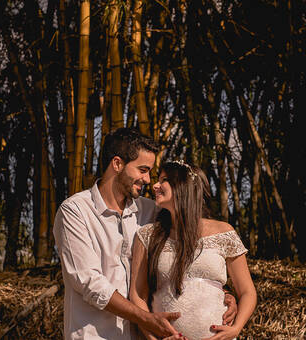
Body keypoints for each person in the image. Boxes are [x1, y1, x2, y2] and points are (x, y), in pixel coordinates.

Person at [53, 128, 237, 340]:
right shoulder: (75, 211)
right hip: (95, 335)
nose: (148, 179)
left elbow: (186, 257)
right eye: (142, 170)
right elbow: (89, 282)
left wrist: (219, 294)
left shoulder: (152, 211)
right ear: (117, 164)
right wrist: (143, 317)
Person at [130, 161, 257, 340]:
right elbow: (138, 295)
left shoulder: (224, 232)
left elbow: (247, 292)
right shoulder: (147, 235)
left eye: (164, 180)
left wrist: (236, 329)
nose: (155, 185)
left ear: (183, 187)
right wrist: (153, 338)